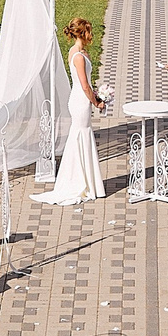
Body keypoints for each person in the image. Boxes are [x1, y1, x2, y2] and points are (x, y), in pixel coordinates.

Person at [38, 17, 108, 207]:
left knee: (81, 135)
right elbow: (84, 85)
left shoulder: (77, 52)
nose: (91, 35)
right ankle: (79, 181)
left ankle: (85, 180)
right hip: (80, 101)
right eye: (88, 31)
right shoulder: (78, 56)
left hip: (80, 98)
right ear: (82, 33)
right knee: (81, 135)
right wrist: (96, 101)